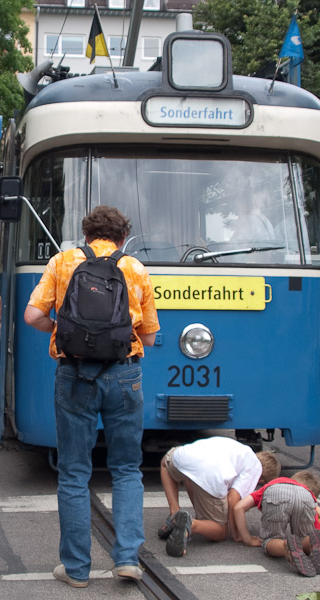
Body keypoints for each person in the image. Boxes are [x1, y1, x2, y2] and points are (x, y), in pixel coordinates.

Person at [24, 206, 160, 588]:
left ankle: (76, 569)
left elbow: (32, 316)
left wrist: (62, 330)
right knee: (126, 469)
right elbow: (149, 336)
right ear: (122, 238)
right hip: (125, 375)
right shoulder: (135, 268)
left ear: (86, 235)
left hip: (75, 375)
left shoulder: (63, 262)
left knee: (73, 472)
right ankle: (128, 559)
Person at [158, 436, 281, 557]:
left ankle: (174, 513)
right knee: (220, 532)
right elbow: (232, 499)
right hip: (210, 474)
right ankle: (191, 524)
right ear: (261, 480)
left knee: (165, 463)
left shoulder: (243, 451)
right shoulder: (255, 468)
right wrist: (236, 534)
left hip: (185, 455)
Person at [233, 470, 320, 577]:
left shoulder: (274, 484)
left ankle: (285, 546)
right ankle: (310, 543)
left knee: (270, 540)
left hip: (276, 493)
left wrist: (247, 539)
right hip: (305, 498)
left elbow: (238, 508)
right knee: (305, 536)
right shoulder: (308, 493)